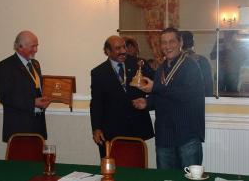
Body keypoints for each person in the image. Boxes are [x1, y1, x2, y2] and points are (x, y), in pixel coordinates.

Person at [132, 28, 205, 169]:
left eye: (171, 41)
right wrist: (147, 103)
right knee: (165, 178)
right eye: (164, 43)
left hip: (187, 135)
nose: (167, 46)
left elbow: (186, 95)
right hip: (164, 136)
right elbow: (161, 95)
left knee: (189, 179)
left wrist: (156, 88)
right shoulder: (161, 68)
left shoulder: (191, 66)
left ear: (180, 42)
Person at [90, 35, 155, 158]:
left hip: (137, 129)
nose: (123, 51)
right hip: (111, 131)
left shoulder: (138, 64)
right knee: (111, 170)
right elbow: (96, 103)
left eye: (124, 47)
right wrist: (96, 128)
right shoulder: (98, 73)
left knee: (137, 170)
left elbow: (156, 87)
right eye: (118, 48)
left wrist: (147, 101)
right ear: (107, 51)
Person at [0, 30, 51, 142]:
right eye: (33, 46)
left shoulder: (35, 64)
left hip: (38, 128)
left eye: (37, 46)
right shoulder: (5, 66)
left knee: (38, 159)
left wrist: (45, 100)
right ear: (20, 47)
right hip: (19, 128)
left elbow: (36, 89)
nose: (36, 50)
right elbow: (4, 96)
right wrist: (33, 102)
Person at [181, 31, 214, 96]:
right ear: (193, 43)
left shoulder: (176, 61)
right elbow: (208, 86)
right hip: (199, 100)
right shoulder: (203, 60)